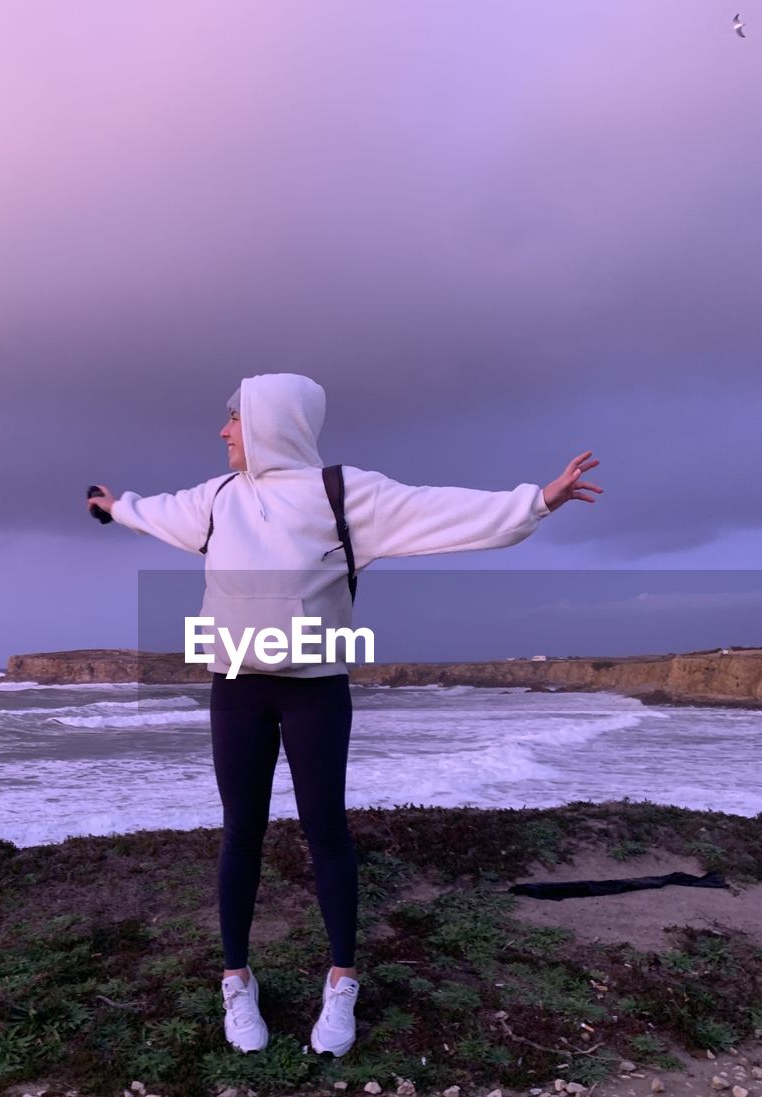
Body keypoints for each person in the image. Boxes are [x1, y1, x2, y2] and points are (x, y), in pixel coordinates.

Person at [87, 372, 602, 1056]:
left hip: (315, 690)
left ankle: (342, 981)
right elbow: (153, 511)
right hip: (237, 688)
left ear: (268, 422)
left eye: (232, 420)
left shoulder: (343, 493)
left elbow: (440, 512)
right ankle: (236, 980)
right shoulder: (216, 499)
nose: (223, 432)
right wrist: (116, 506)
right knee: (241, 831)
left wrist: (536, 501)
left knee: (325, 830)